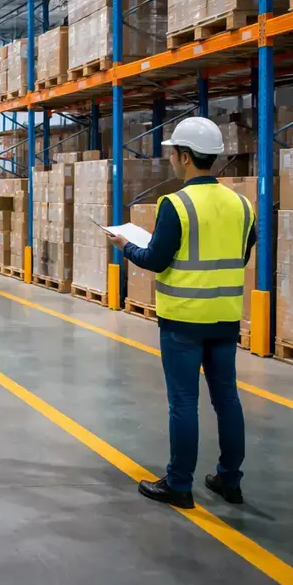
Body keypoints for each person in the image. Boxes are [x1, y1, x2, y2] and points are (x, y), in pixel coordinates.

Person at [106, 117, 254, 509]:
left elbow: (155, 259)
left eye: (173, 153)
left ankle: (180, 484)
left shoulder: (176, 204)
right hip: (225, 318)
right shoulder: (242, 204)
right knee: (228, 400)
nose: (171, 159)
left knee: (184, 402)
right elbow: (242, 253)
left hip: (184, 321)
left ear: (185, 157)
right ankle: (230, 480)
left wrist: (124, 245)